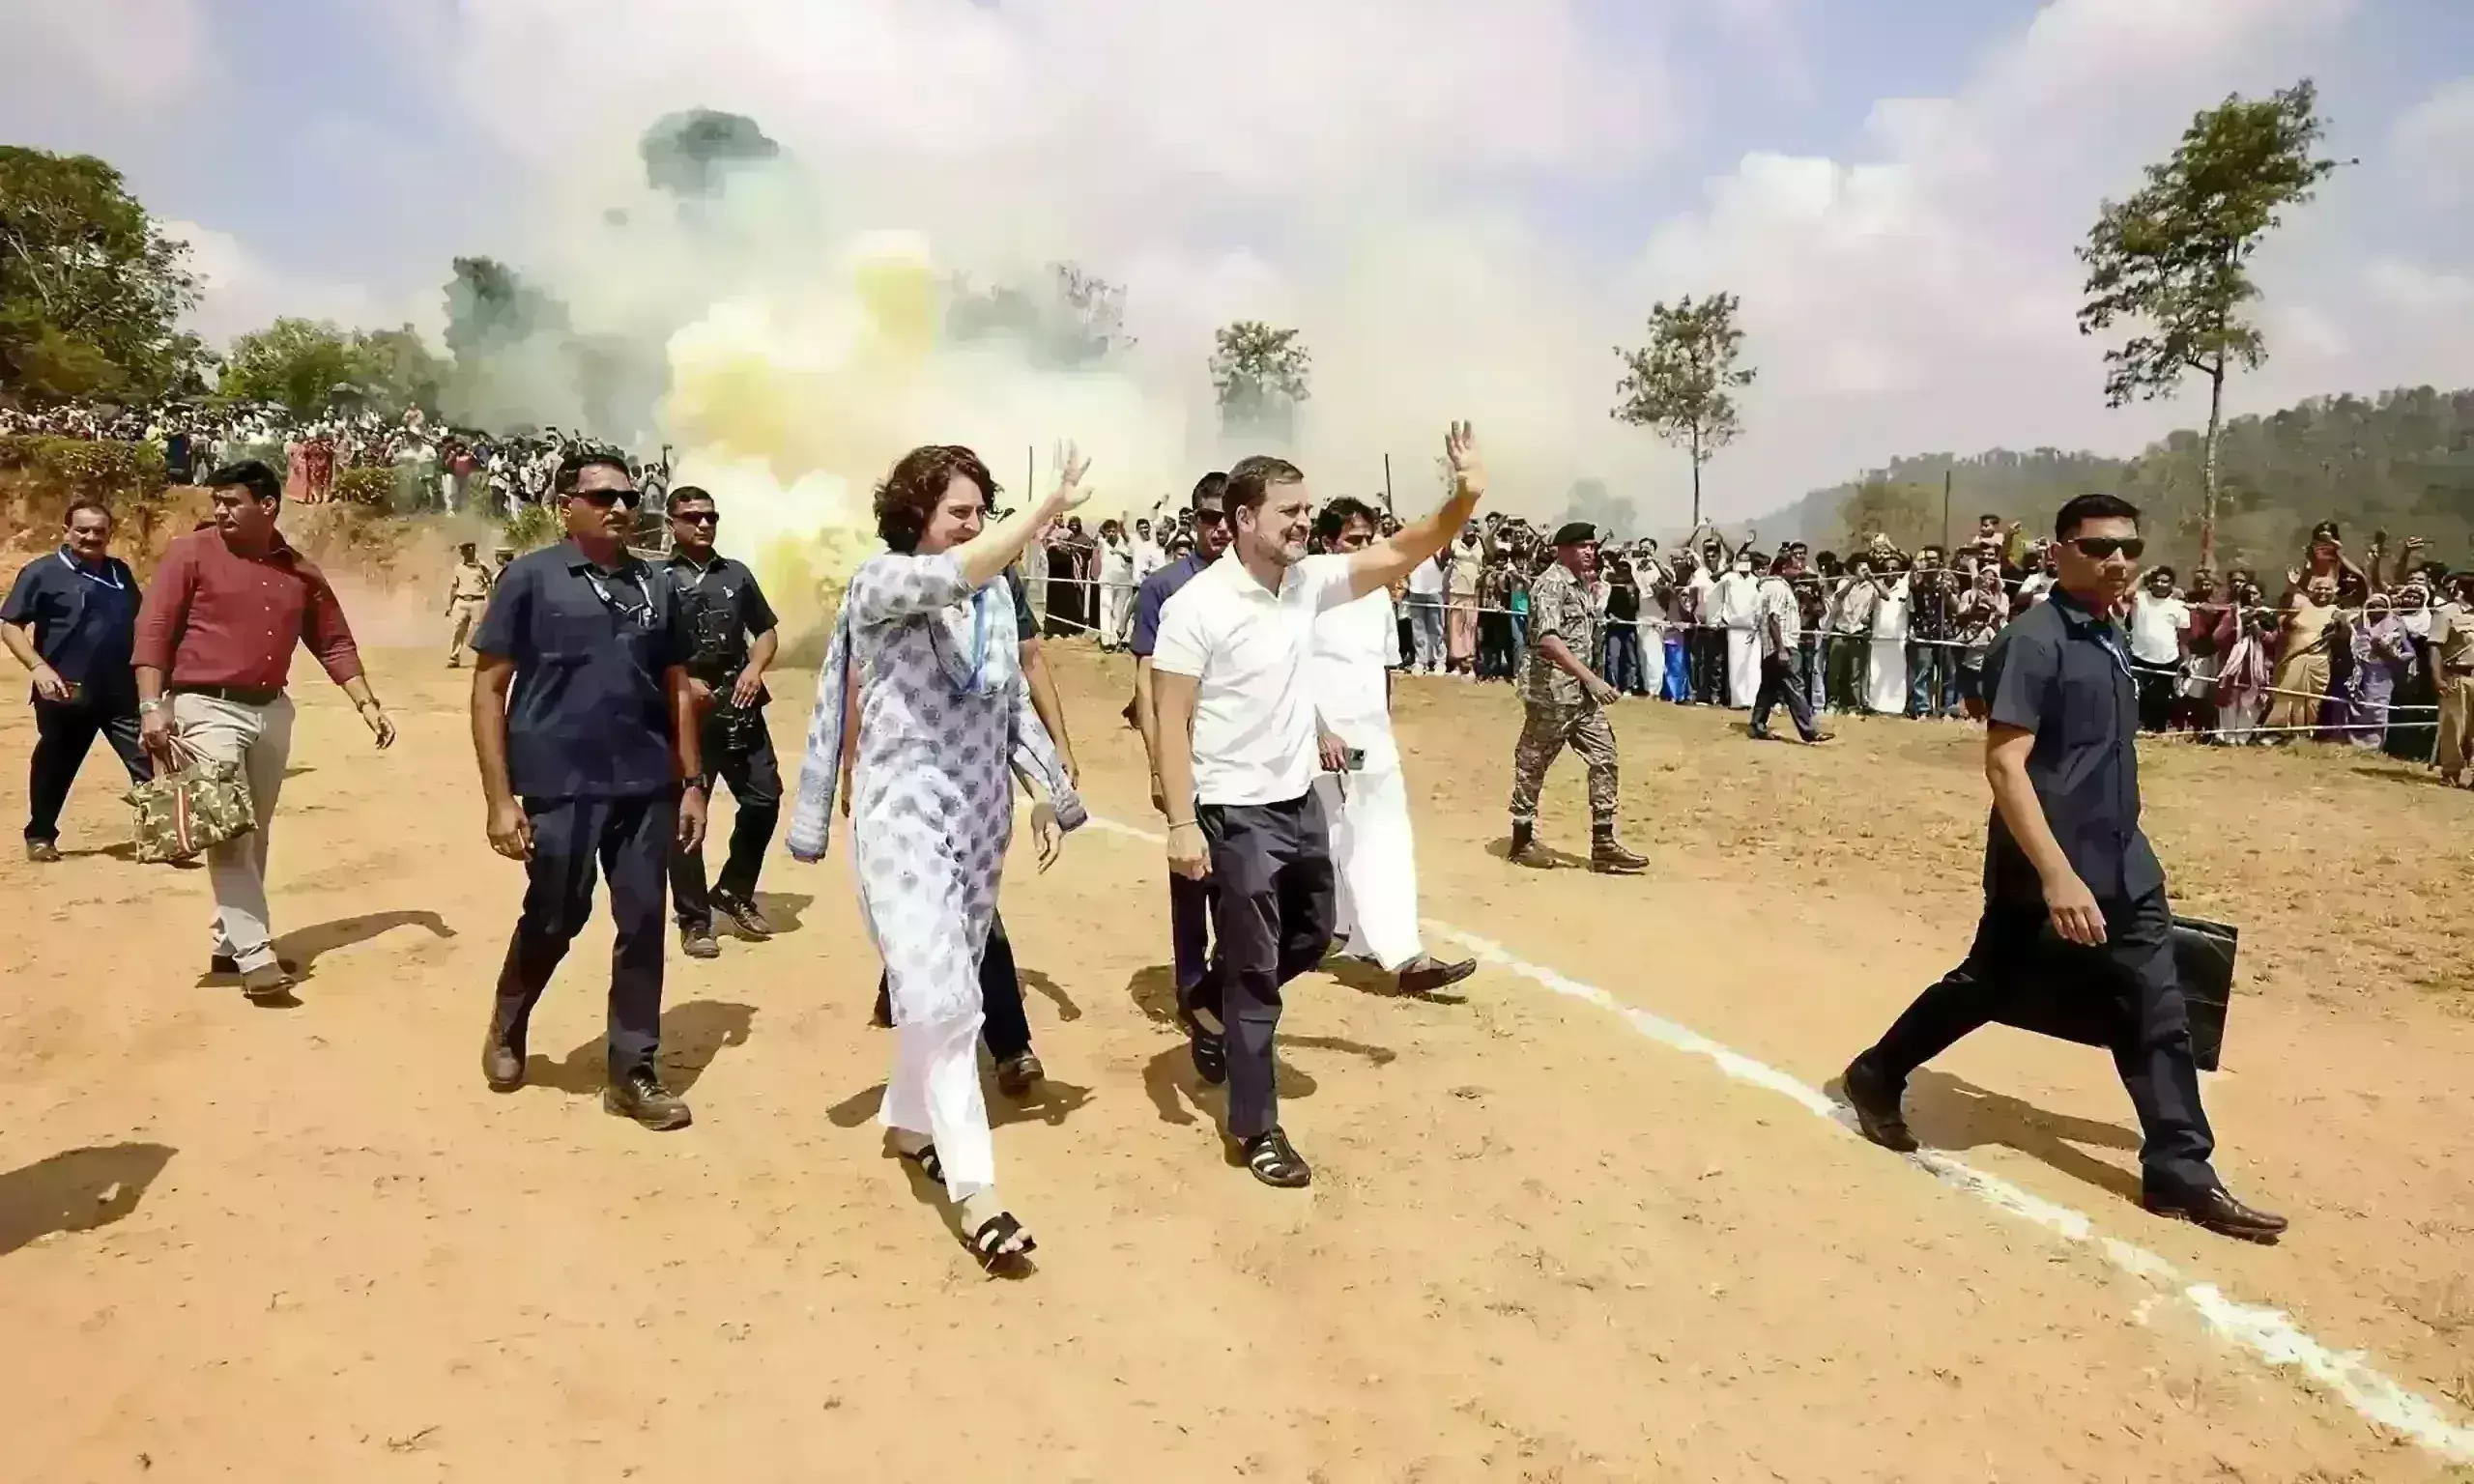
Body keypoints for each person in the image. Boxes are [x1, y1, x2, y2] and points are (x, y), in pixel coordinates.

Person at [1840, 494, 2287, 1243]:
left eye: (2129, 548)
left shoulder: (2109, 630)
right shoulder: (2034, 640)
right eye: (2098, 547)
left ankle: (2180, 1168)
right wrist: (2056, 876)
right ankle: (1878, 1072)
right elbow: (2005, 765)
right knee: (1989, 984)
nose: (2118, 561)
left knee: (2156, 1005)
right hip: (2045, 863)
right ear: (2059, 553)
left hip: (2125, 859)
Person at [1152, 426, 1485, 1188]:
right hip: (1234, 810)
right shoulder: (1198, 606)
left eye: (1308, 510)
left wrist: (1463, 496)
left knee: (1312, 932)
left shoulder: (1307, 583)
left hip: (1298, 798)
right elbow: (1171, 717)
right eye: (1290, 512)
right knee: (1257, 973)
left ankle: (1208, 1001)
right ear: (1244, 519)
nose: (1305, 522)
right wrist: (1180, 821)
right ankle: (1256, 1128)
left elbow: (1402, 549)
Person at [786, 442, 1088, 1270]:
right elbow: (951, 576)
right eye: (960, 510)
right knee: (947, 998)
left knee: (940, 987)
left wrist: (1045, 791)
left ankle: (908, 1123)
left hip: (979, 822)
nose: (974, 524)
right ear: (915, 513)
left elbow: (1009, 702)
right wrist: (1043, 513)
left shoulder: (991, 604)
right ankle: (976, 1191)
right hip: (904, 817)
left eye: (982, 511)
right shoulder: (882, 582)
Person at [472, 455, 706, 1127]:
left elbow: (678, 687)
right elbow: (489, 688)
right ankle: (510, 1019)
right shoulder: (530, 578)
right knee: (556, 914)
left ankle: (632, 1071)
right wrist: (499, 800)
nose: (620, 507)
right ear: (565, 505)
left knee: (643, 923)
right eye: (603, 496)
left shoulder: (657, 584)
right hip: (559, 782)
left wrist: (692, 783)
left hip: (645, 783)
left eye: (629, 497)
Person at [132, 461, 397, 1002]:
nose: (220, 511)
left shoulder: (297, 570)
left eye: (232, 501)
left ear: (268, 505)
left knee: (256, 831)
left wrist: (366, 704)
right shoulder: (191, 553)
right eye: (217, 501)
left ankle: (228, 945)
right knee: (229, 829)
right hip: (205, 707)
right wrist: (151, 706)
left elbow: (332, 640)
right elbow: (154, 630)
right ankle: (256, 957)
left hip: (272, 710)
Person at [1306, 497, 1478, 996]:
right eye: (1352, 540)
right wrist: (1319, 730)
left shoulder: (1378, 595)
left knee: (1372, 829)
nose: (1364, 548)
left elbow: (1382, 668)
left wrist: (1381, 727)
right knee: (1351, 831)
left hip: (1369, 738)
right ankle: (1391, 950)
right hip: (1322, 737)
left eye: (1369, 539)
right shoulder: (1309, 589)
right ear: (1328, 542)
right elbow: (1289, 667)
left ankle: (1364, 939)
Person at [661, 487, 783, 959]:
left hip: (739, 701)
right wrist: (681, 681)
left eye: (711, 516)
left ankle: (734, 889)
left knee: (764, 798)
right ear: (671, 523)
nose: (704, 524)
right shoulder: (656, 579)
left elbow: (766, 629)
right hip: (685, 710)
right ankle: (695, 920)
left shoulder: (736, 574)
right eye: (692, 517)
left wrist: (755, 667)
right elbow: (642, 644)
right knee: (686, 814)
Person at [1132, 474, 1233, 1013]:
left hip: (1241, 761)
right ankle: (1193, 988)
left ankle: (1227, 982)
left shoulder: (1259, 583)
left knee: (1241, 883)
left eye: (1227, 517)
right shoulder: (1165, 587)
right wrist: (1158, 769)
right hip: (1187, 757)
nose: (1220, 528)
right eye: (1209, 518)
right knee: (1192, 877)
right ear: (1194, 521)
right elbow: (1146, 688)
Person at [3, 499, 151, 862]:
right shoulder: (42, 572)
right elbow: (10, 625)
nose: (91, 537)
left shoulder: (119, 572)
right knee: (54, 767)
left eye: (99, 531)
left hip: (122, 692)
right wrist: (38, 667)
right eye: (82, 530)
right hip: (67, 692)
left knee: (148, 763)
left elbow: (140, 621)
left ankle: (162, 835)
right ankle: (41, 836)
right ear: (66, 531)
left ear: (110, 534)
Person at [1507, 522, 1650, 874]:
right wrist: (1592, 679)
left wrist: (1590, 681)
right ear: (1563, 549)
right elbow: (1548, 640)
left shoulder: (1581, 584)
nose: (1590, 551)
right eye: (1583, 546)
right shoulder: (1551, 585)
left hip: (1581, 697)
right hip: (1552, 693)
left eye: (1592, 546)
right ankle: (1521, 841)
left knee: (1605, 758)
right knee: (1533, 763)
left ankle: (1604, 843)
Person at [1748, 551, 1832, 745]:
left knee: (1768, 687)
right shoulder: (1779, 588)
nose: (1800, 571)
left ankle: (1757, 725)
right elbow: (1774, 618)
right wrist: (1781, 649)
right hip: (1783, 644)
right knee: (1795, 687)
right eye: (1796, 568)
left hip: (1770, 646)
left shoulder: (1766, 587)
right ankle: (1809, 731)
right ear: (1784, 568)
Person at [2126, 566, 2188, 733]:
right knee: (2134, 694)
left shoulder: (2179, 606)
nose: (2160, 584)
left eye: (2165, 581)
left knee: (2160, 698)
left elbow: (2183, 637)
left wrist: (2185, 661)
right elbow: (2126, 594)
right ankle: (2135, 727)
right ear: (2151, 583)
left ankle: (2158, 729)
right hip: (2139, 656)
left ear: (2172, 584)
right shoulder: (2139, 598)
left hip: (2167, 658)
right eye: (2157, 580)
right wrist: (2142, 576)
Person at [2434, 575, 2474, 785]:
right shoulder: (2447, 613)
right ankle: (2451, 771)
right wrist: (2437, 677)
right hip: (2458, 675)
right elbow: (2435, 646)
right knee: (2454, 726)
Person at [1712, 547, 1762, 709]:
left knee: (1753, 665)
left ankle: (1753, 699)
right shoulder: (1729, 578)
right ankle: (1739, 701)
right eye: (1741, 560)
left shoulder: (1755, 580)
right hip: (1735, 627)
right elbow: (1714, 583)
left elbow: (1759, 603)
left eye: (1747, 560)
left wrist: (1758, 623)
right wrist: (1718, 618)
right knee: (1737, 664)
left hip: (1753, 628)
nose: (1744, 563)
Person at [444, 541, 494, 669]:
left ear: (472, 551)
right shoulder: (458, 568)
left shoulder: (482, 567)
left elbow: (490, 583)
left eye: (467, 551)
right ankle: (454, 657)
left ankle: (482, 658)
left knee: (478, 631)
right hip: (461, 601)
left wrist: (491, 602)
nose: (465, 554)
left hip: (478, 601)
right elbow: (454, 587)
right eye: (463, 551)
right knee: (458, 630)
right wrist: (450, 606)